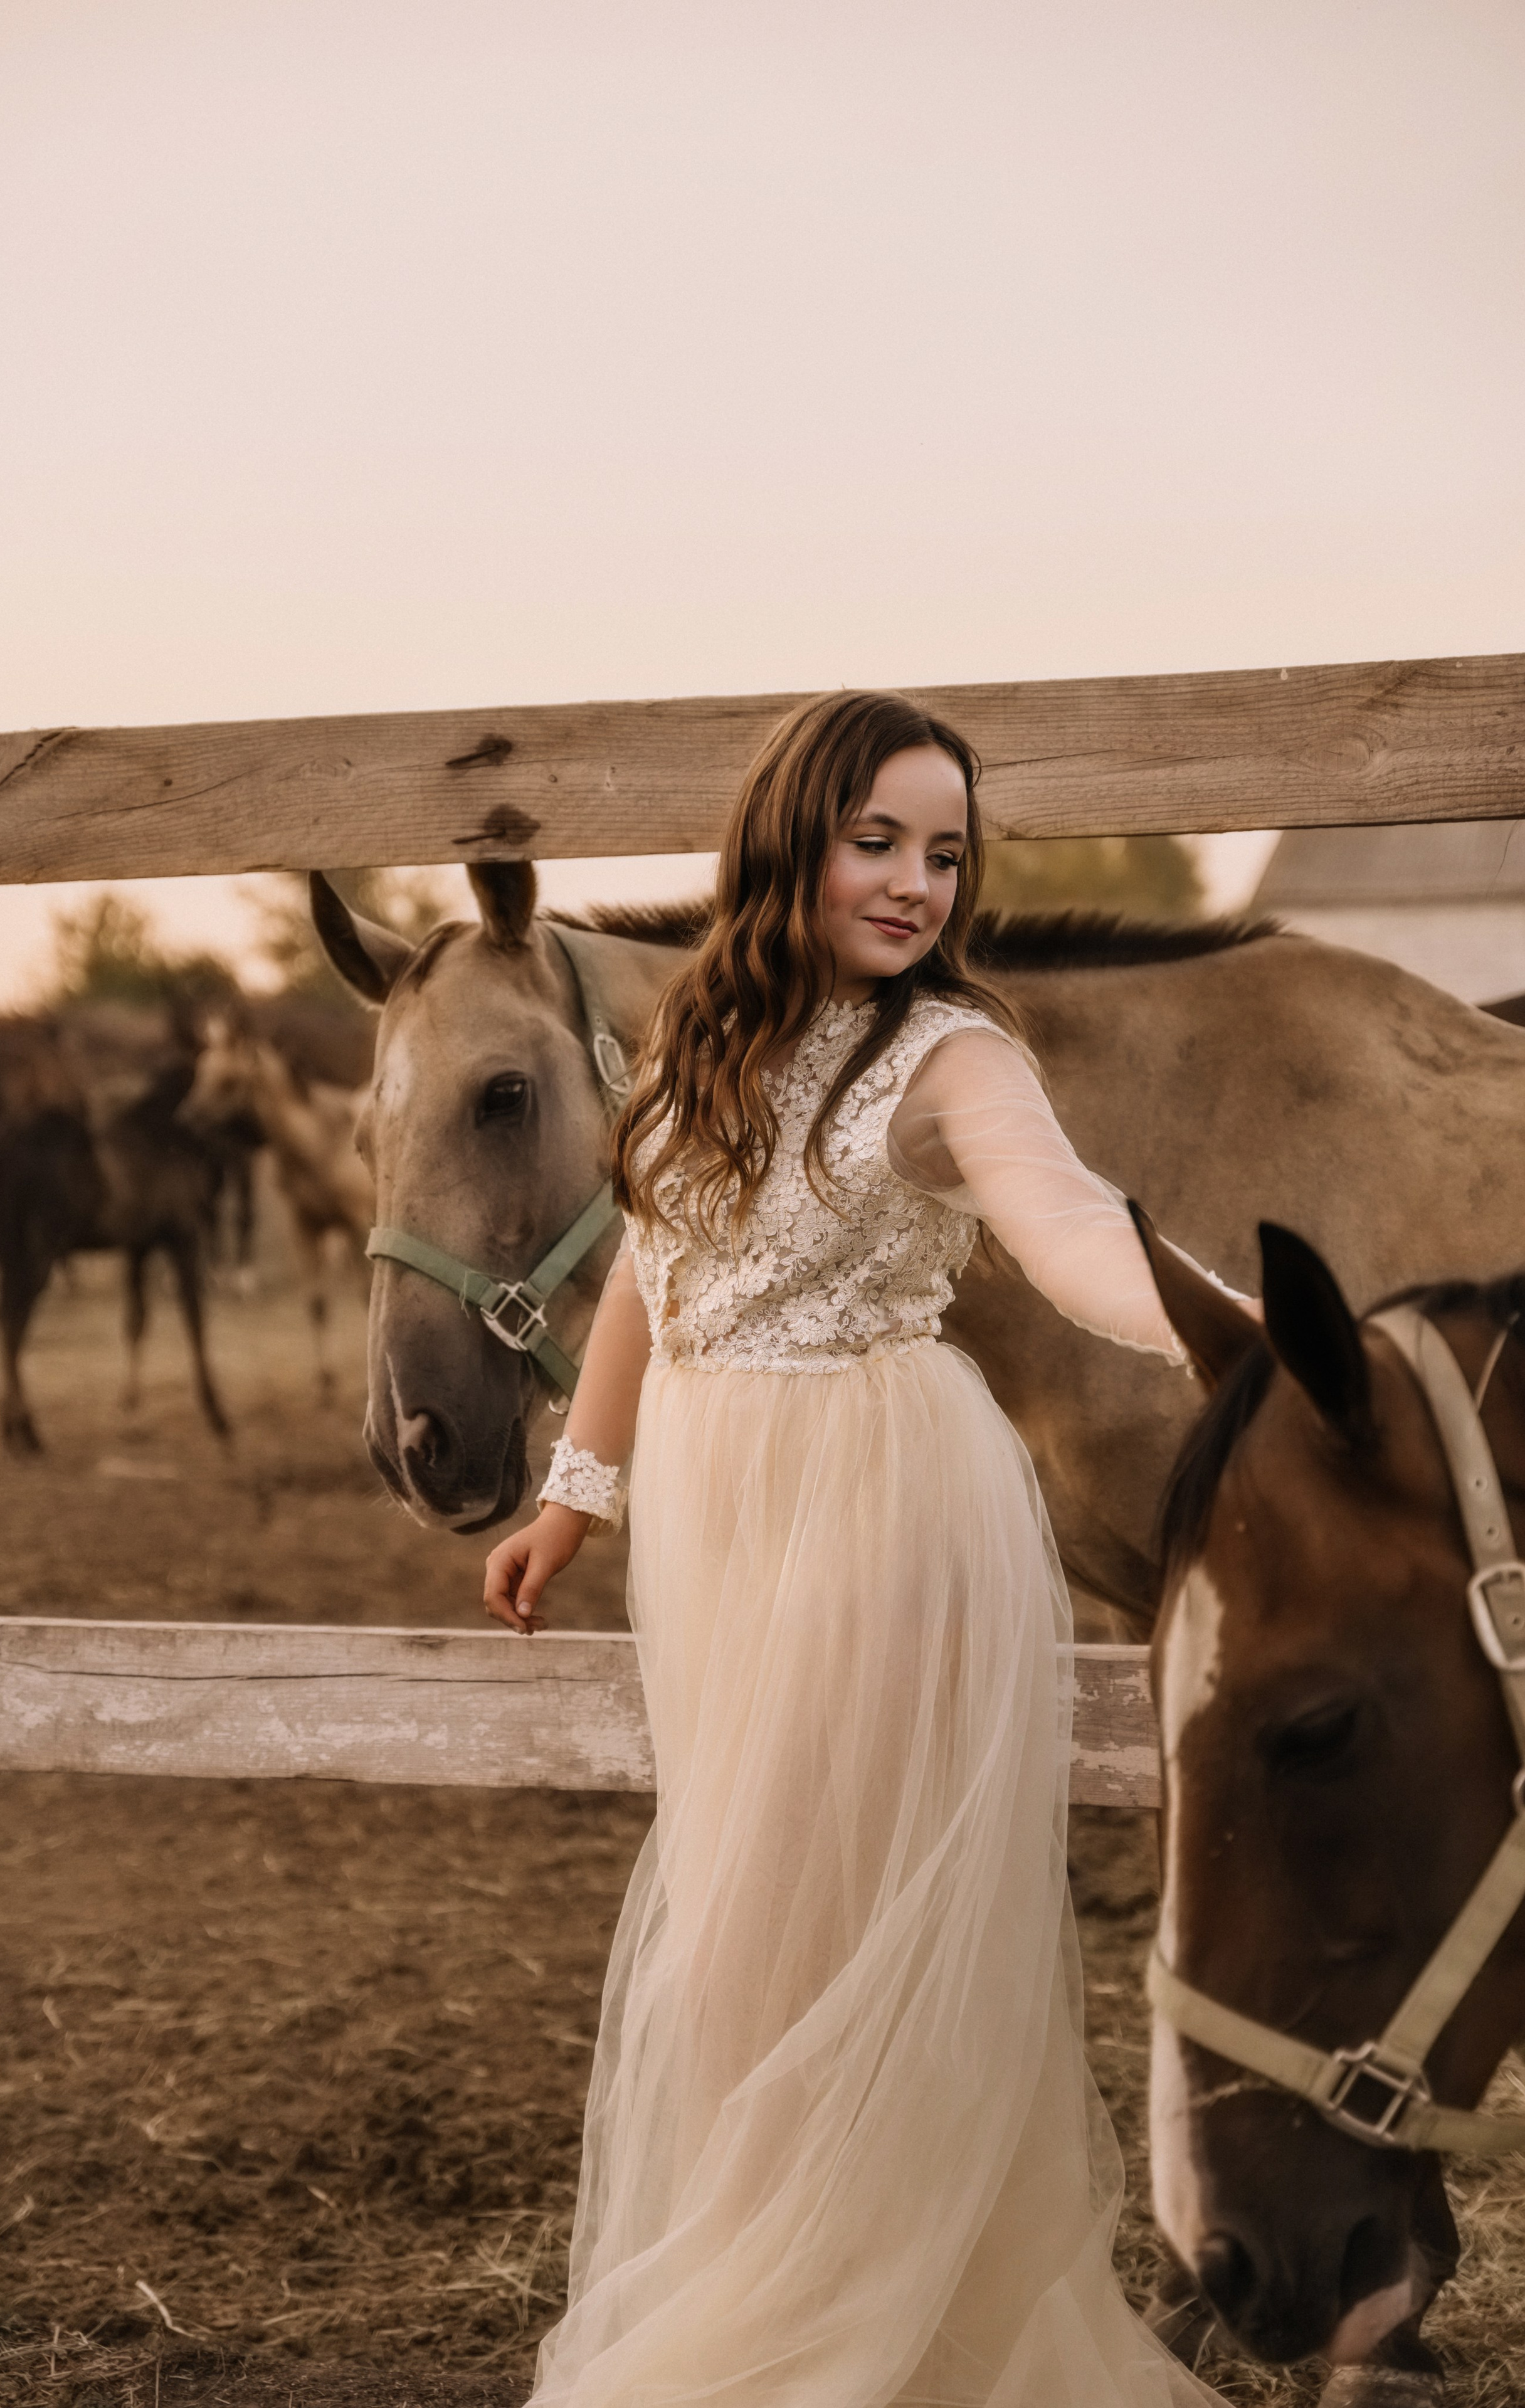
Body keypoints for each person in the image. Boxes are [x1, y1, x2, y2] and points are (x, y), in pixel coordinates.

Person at [483, 690, 1245, 2407]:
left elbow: (1066, 1234)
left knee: (821, 1930)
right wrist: (573, 1492)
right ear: (793, 839)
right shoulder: (701, 1041)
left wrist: (1235, 1330)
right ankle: (790, 2276)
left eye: (948, 854)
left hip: (878, 1505)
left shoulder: (956, 1056)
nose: (916, 883)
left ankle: (851, 2329)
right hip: (716, 1518)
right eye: (878, 840)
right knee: (749, 1937)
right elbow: (644, 1284)